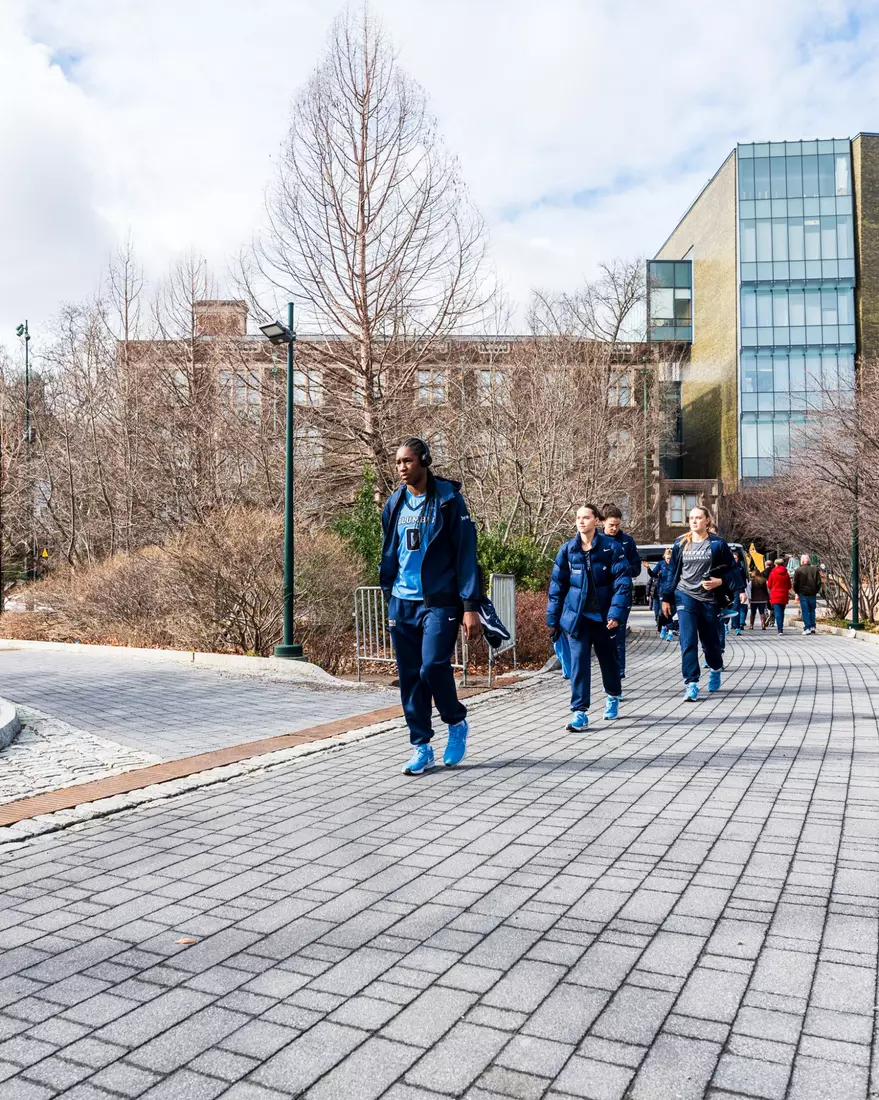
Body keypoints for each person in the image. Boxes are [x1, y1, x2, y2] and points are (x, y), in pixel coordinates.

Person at [380, 437, 480, 776]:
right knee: (410, 678)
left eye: (407, 461)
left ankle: (456, 720)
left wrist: (470, 606)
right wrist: (388, 594)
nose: (402, 468)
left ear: (425, 461)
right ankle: (421, 747)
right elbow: (390, 551)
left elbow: (467, 555)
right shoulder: (394, 504)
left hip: (440, 601)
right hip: (402, 602)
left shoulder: (450, 501)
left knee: (432, 667)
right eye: (398, 463)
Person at [547, 504, 632, 732]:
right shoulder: (568, 550)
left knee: (609, 662)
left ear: (597, 520)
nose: (581, 521)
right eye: (578, 518)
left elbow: (623, 583)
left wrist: (616, 613)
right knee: (579, 664)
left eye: (586, 517)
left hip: (605, 619)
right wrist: (553, 620)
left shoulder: (611, 548)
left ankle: (613, 695)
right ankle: (579, 712)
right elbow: (557, 587)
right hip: (578, 619)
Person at [661, 506, 735, 701]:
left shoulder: (718, 544)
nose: (694, 521)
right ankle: (691, 683)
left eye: (698, 518)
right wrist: (666, 597)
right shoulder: (680, 544)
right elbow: (671, 573)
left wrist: (720, 581)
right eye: (691, 518)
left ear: (707, 521)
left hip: (709, 600)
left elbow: (734, 570)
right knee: (688, 640)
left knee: (711, 644)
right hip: (685, 596)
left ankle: (716, 668)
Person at [601, 506, 642, 679]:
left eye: (617, 525)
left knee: (618, 637)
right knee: (602, 637)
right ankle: (606, 673)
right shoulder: (595, 540)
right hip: (601, 595)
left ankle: (619, 673)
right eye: (611, 524)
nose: (614, 528)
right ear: (602, 521)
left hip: (622, 594)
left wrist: (622, 567)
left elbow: (636, 568)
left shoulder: (627, 541)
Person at [648, 548, 676, 640]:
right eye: (667, 558)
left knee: (671, 611)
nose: (668, 560)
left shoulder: (675, 565)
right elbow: (653, 574)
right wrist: (648, 568)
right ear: (664, 557)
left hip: (673, 591)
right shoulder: (661, 564)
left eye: (670, 558)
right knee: (663, 612)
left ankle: (666, 627)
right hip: (662, 591)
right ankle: (668, 629)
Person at [793, 554, 822, 634]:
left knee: (805, 611)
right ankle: (813, 626)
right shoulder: (815, 569)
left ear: (802, 561)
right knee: (812, 610)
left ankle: (807, 627)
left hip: (803, 593)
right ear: (809, 561)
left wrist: (796, 591)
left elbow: (795, 583)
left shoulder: (798, 570)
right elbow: (819, 582)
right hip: (812, 593)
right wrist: (816, 590)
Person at [766, 558, 792, 634]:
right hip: (784, 594)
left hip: (775, 594)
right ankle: (781, 626)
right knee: (782, 611)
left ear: (775, 564)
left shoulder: (772, 573)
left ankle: (779, 629)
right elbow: (789, 586)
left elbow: (769, 585)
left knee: (777, 612)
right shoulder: (786, 574)